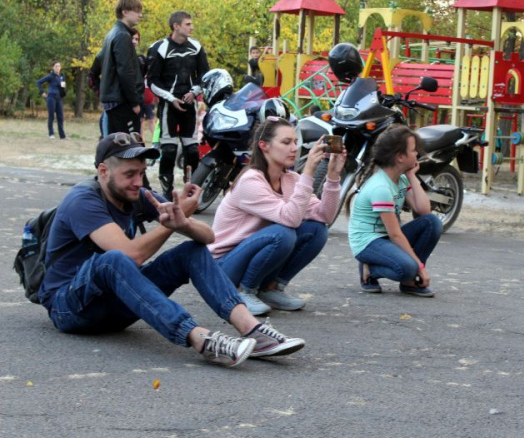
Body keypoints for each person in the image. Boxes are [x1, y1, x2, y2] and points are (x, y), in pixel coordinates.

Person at [37, 132, 305, 367]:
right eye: (129, 174)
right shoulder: (82, 200)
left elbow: (208, 236)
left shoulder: (138, 195)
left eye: (141, 173)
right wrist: (168, 228)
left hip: (116, 304)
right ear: (104, 171)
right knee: (113, 260)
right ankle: (201, 339)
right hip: (71, 309)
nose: (138, 182)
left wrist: (183, 222)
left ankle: (254, 332)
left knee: (191, 250)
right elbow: (131, 256)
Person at [209, 116, 344, 315]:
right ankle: (242, 292)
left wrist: (333, 175)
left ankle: (270, 289)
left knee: (317, 230)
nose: (294, 148)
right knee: (284, 233)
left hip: (250, 255)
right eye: (286, 142)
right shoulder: (250, 181)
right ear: (264, 146)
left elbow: (325, 216)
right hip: (223, 266)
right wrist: (308, 172)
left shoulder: (290, 179)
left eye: (296, 142)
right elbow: (290, 219)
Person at [348, 124, 442, 297]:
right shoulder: (381, 187)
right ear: (400, 157)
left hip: (384, 238)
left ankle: (410, 282)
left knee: (432, 222)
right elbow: (395, 235)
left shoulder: (401, 180)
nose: (417, 154)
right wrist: (420, 267)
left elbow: (423, 210)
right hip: (368, 242)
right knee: (408, 268)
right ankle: (370, 270)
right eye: (413, 150)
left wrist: (412, 176)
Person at [148, 11, 210, 200]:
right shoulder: (159, 48)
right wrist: (170, 98)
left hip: (190, 105)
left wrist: (194, 92)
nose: (192, 27)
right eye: (188, 24)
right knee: (168, 150)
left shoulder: (196, 46)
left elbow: (205, 76)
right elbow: (151, 81)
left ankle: (190, 189)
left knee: (192, 151)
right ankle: (166, 193)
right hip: (169, 106)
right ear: (176, 26)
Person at [99, 0, 144, 135]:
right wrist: (134, 102)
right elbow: (125, 71)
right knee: (128, 148)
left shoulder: (111, 34)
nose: (140, 15)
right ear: (124, 12)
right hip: (123, 103)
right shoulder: (122, 36)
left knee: (117, 144)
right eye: (137, 11)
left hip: (115, 100)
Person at [36, 61, 67, 139]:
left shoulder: (62, 76)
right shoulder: (50, 76)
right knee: (51, 116)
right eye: (56, 66)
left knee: (60, 117)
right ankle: (51, 134)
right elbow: (39, 82)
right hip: (51, 98)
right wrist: (42, 92)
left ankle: (62, 136)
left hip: (59, 98)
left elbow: (63, 88)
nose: (57, 68)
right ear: (53, 68)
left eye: (59, 66)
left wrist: (63, 92)